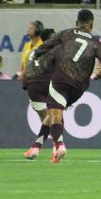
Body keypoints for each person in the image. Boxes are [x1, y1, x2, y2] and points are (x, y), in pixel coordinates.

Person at [32, 9, 101, 163]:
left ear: (77, 23)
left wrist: (37, 55)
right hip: (79, 87)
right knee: (55, 112)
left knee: (54, 113)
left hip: (61, 78)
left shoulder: (67, 33)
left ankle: (59, 145)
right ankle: (36, 146)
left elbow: (46, 46)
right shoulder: (96, 43)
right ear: (91, 25)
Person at [22, 30, 58, 160]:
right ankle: (57, 147)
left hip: (33, 88)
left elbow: (27, 71)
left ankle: (36, 148)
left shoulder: (33, 52)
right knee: (55, 117)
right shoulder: (55, 52)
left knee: (48, 118)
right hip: (47, 85)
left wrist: (27, 88)